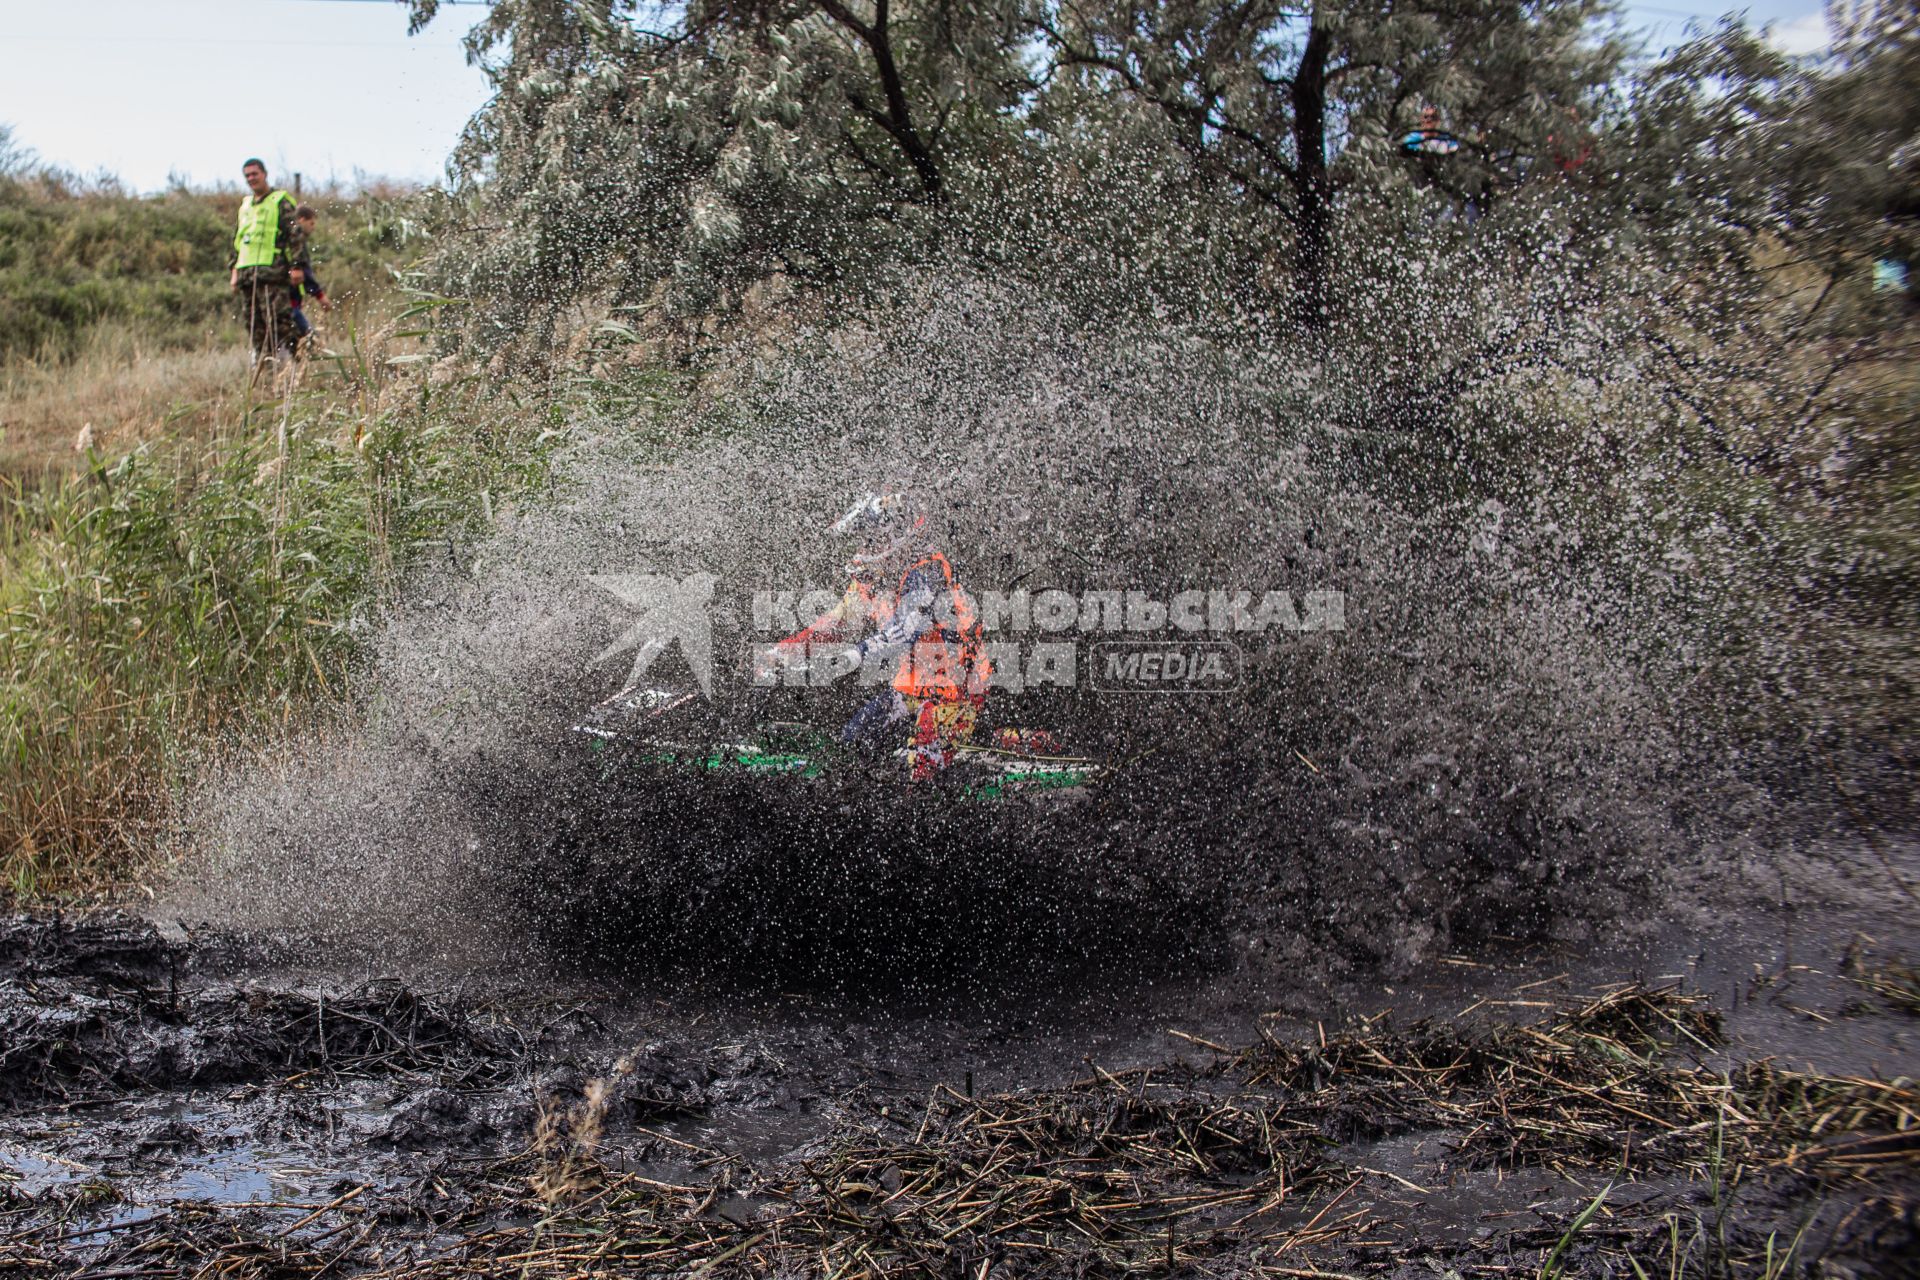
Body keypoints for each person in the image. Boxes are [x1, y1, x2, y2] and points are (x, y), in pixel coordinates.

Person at [769, 490, 991, 781]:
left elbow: (903, 633)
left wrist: (842, 661)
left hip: (955, 694)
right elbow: (838, 623)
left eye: (870, 538)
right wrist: (781, 652)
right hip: (910, 690)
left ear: (896, 536)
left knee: (923, 776)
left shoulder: (928, 572)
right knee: (850, 747)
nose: (864, 547)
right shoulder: (874, 577)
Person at [228, 159, 305, 364]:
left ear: (264, 174)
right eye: (247, 176)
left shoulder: (280, 201)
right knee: (254, 324)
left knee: (280, 321)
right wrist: (234, 271)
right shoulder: (245, 206)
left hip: (273, 274)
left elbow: (295, 235)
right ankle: (264, 367)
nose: (251, 178)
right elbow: (237, 240)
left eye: (255, 174)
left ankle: (295, 364)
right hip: (247, 275)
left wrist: (297, 266)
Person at [286, 205, 330, 349]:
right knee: (310, 341)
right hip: (289, 304)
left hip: (291, 302)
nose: (313, 227)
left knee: (292, 343)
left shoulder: (289, 241)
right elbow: (305, 275)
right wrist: (320, 296)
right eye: (311, 223)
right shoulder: (295, 244)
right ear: (301, 220)